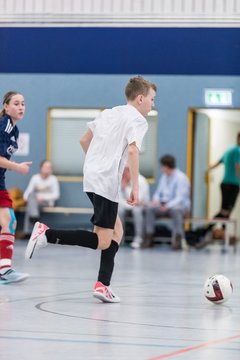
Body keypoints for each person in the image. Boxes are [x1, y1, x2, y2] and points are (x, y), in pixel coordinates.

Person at [25, 76, 157, 302]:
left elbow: (84, 140)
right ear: (140, 98)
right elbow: (133, 152)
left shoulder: (108, 112)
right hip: (106, 183)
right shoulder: (137, 120)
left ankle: (102, 285)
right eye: (152, 99)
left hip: (92, 178)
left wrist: (98, 164)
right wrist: (135, 186)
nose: (153, 104)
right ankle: (47, 234)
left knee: (117, 231)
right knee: (103, 241)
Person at [0, 91, 32, 284]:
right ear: (6, 107)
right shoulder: (3, 125)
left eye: (23, 103)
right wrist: (17, 167)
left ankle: (4, 270)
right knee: (8, 221)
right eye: (16, 103)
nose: (21, 107)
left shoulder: (14, 130)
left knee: (9, 221)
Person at [143, 154, 191, 250]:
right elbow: (158, 192)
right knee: (149, 209)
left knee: (176, 210)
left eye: (162, 166)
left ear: (166, 166)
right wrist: (156, 200)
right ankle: (149, 237)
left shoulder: (181, 178)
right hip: (163, 205)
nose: (161, 169)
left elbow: (180, 198)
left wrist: (168, 206)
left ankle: (178, 239)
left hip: (178, 206)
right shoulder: (164, 177)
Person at [206, 132, 240, 222]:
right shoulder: (237, 151)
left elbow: (218, 162)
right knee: (226, 211)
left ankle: (222, 231)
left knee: (225, 211)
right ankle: (206, 229)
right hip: (232, 185)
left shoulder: (229, 150)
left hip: (225, 184)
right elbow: (238, 167)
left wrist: (208, 169)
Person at [23, 160, 60, 235]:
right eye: (46, 167)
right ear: (41, 168)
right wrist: (28, 198)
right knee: (31, 200)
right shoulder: (35, 178)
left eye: (50, 168)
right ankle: (35, 219)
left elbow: (56, 195)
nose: (48, 169)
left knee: (31, 205)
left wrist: (43, 197)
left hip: (47, 202)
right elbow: (27, 193)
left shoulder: (53, 179)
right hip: (35, 201)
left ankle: (29, 231)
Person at [118, 165, 150, 248]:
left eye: (125, 171)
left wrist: (125, 189)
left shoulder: (141, 180)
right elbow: (119, 200)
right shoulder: (122, 180)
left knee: (137, 211)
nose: (123, 173)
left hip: (141, 206)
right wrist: (123, 188)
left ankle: (138, 239)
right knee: (119, 210)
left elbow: (138, 200)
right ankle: (119, 238)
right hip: (127, 205)